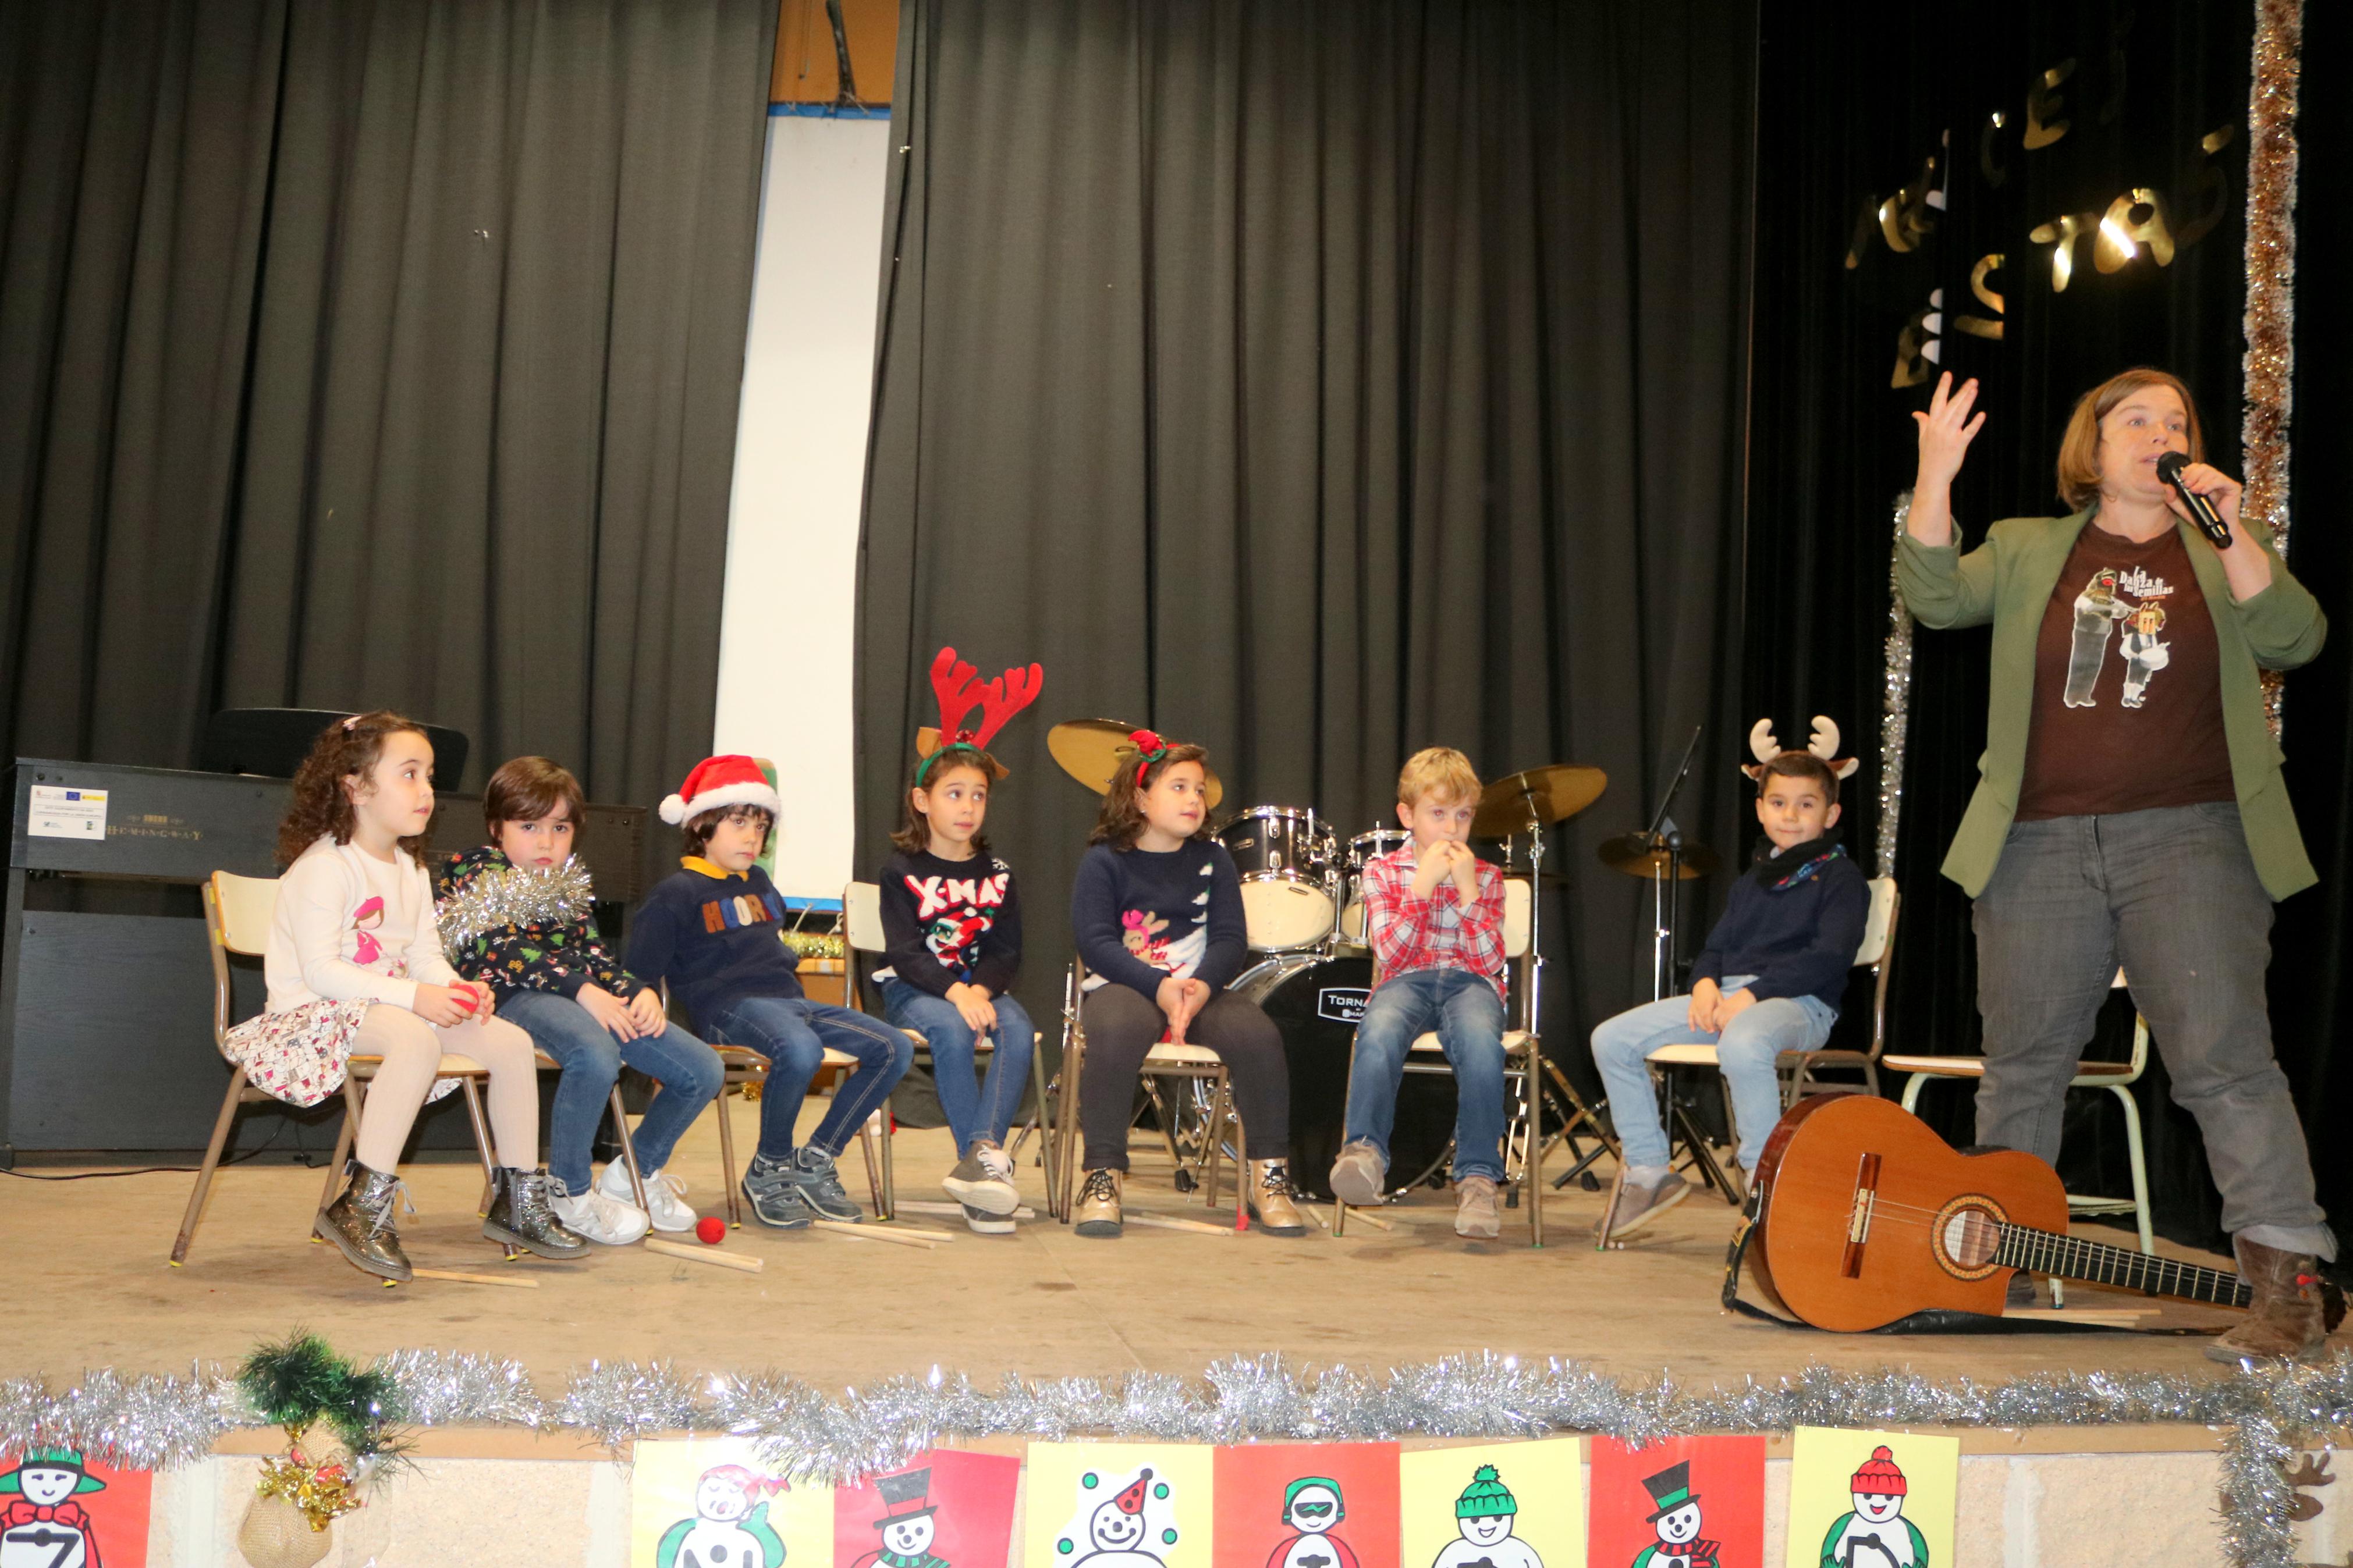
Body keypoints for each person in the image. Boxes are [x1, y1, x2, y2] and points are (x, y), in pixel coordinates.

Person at [1901, 368, 2333, 1361]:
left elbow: (2295, 638)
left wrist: (2232, 536)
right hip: (2035, 845)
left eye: (2173, 421)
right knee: (2020, 1071)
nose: (2157, 433)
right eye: (2133, 420)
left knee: (2223, 1063)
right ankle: (1989, 1271)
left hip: (2190, 840)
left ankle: (2289, 1290)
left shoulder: (2215, 551)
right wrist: (1935, 475)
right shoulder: (2024, 548)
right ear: (2091, 450)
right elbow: (1931, 597)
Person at [221, 712, 584, 1281]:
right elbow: (322, 973)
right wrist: (417, 997)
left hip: (386, 1009)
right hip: (308, 1017)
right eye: (409, 774)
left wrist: (454, 989)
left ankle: (516, 1197)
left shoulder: (411, 870)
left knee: (511, 1041)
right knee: (414, 1037)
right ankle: (361, 1203)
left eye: (430, 776)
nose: (427, 791)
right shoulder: (325, 868)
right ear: (357, 787)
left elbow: (422, 956)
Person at [1590, 732, 1868, 1236]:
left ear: (1829, 815)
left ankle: (1764, 1185)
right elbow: (1716, 949)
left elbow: (1827, 957)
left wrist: (1751, 996)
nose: (1790, 815)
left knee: (1743, 1042)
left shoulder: (1840, 878)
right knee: (1610, 1038)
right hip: (1734, 999)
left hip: (1799, 1005)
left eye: (1805, 805)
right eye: (1778, 803)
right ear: (1760, 810)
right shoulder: (1752, 878)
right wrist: (1704, 986)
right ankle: (1650, 1170)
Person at [438, 756, 723, 1244]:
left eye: (560, 827)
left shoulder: (568, 882)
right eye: (529, 825)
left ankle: (634, 1174)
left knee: (703, 1069)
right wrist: (584, 990)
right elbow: (503, 949)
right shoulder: (476, 867)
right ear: (496, 827)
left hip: (577, 998)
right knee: (594, 1053)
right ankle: (568, 1192)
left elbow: (592, 955)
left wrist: (636, 991)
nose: (546, 841)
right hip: (508, 996)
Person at [625, 755, 913, 1229]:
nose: (751, 837)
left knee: (893, 1046)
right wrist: (643, 996)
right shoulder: (675, 893)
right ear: (701, 824)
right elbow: (637, 973)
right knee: (800, 1048)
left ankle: (816, 1157)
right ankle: (770, 1165)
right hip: (728, 1009)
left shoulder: (758, 882)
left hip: (789, 1002)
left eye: (760, 826)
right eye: (738, 822)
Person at [1068, 730, 1305, 1238]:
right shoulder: (1104, 860)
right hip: (1127, 982)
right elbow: (1096, 941)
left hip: (1199, 987)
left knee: (1258, 1035)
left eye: (1198, 789)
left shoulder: (1212, 858)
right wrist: (1157, 985)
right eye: (1178, 787)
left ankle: (1269, 1177)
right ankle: (1102, 1175)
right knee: (1113, 1031)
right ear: (1140, 797)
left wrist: (1198, 986)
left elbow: (1229, 937)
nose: (1194, 799)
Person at [1327, 746, 1512, 1238]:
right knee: (1380, 1027)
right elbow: (1390, 952)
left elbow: (1490, 960)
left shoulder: (1489, 877)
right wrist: (1422, 888)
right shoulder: (1382, 873)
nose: (1451, 829)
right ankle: (1364, 1152)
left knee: (1479, 1041)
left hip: (1469, 984)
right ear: (1407, 816)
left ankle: (1477, 1177)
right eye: (1438, 814)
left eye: (1463, 815)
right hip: (1405, 981)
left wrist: (1468, 890)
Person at [875, 742, 1035, 1233]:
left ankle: (979, 1159)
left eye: (979, 795)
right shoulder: (900, 872)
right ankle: (984, 1166)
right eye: (954, 794)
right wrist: (956, 992)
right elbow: (905, 952)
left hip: (980, 991)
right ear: (922, 801)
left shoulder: (999, 875)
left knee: (1019, 1029)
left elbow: (1005, 952)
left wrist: (981, 991)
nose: (968, 807)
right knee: (952, 1029)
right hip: (915, 990)